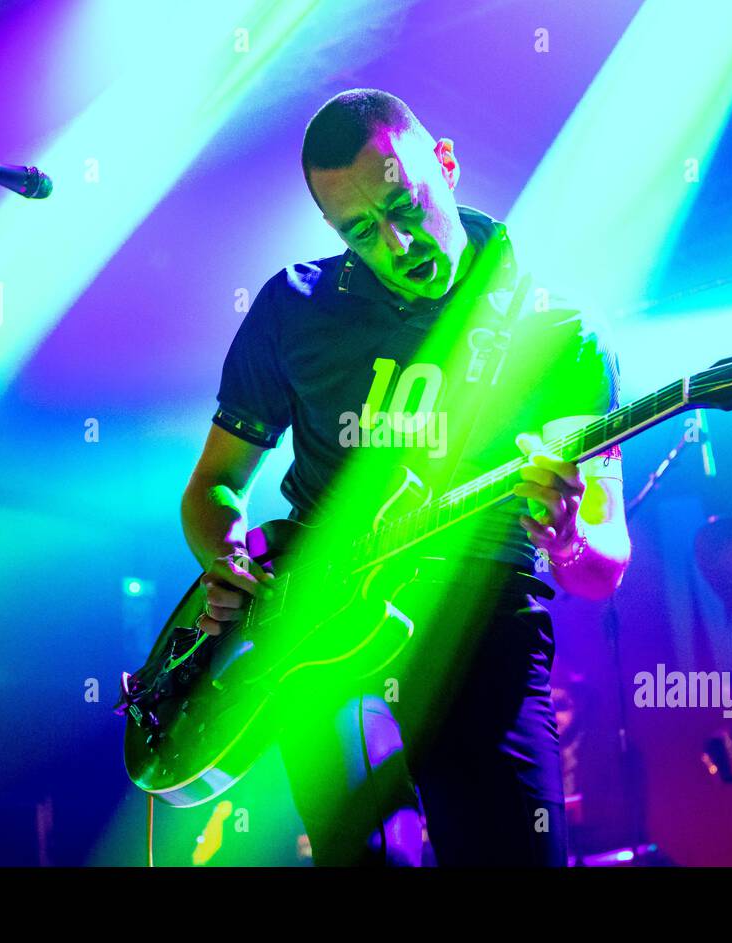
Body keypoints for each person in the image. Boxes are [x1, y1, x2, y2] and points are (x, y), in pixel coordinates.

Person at [178, 89, 630, 865]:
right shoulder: (295, 309)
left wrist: (564, 538)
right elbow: (213, 486)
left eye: (404, 205)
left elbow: (604, 567)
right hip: (318, 637)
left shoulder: (558, 336)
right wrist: (230, 559)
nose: (395, 241)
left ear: (445, 165)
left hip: (482, 631)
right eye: (360, 230)